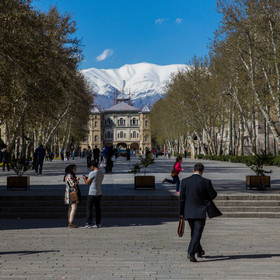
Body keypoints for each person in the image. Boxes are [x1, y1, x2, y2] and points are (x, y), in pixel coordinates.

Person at [179, 163, 217, 262]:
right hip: (200, 211)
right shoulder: (206, 182)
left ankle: (199, 251)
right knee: (197, 233)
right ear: (202, 171)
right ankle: (190, 253)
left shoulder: (185, 181)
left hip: (189, 211)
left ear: (193, 170)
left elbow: (182, 199)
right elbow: (213, 195)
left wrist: (181, 212)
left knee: (195, 232)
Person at [82, 161, 104, 228]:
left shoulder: (92, 173)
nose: (90, 168)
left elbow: (87, 183)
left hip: (92, 192)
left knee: (89, 208)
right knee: (98, 208)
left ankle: (88, 223)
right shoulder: (101, 173)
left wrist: (84, 178)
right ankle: (98, 223)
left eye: (90, 167)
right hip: (99, 192)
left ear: (92, 166)